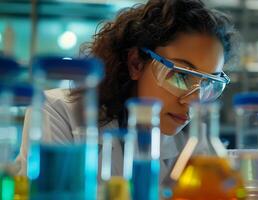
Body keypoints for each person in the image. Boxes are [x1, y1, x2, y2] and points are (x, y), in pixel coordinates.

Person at [16, 0, 238, 181]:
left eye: (209, 84)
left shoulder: (191, 144)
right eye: (180, 76)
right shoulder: (58, 112)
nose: (194, 101)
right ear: (136, 63)